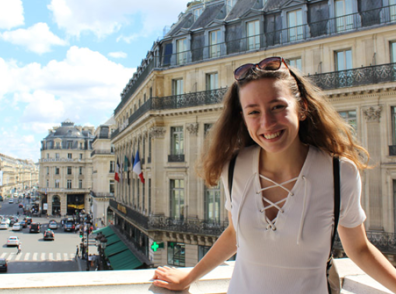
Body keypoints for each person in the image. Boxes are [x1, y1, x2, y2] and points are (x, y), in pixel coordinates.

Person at [152, 57, 396, 293]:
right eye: (254, 112)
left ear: (302, 109)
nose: (267, 123)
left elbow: (360, 249)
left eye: (278, 107)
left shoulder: (339, 172)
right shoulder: (234, 167)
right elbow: (234, 233)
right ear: (244, 119)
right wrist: (190, 276)